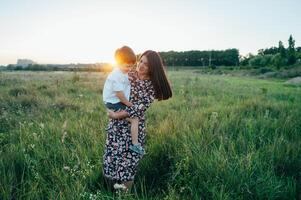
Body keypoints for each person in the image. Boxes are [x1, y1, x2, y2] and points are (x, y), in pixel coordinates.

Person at [103, 50, 172, 192]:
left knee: (128, 164)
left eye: (146, 64)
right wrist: (109, 106)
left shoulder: (151, 86)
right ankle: (108, 193)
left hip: (133, 129)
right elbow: (112, 89)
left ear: (153, 67)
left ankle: (124, 195)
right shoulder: (128, 74)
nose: (141, 66)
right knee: (111, 159)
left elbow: (139, 109)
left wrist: (116, 115)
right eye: (141, 61)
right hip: (116, 127)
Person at [103, 46, 145, 155]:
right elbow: (119, 94)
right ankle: (135, 145)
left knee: (131, 118)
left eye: (131, 66)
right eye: (127, 66)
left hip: (115, 102)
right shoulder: (116, 76)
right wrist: (128, 103)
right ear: (118, 62)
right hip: (115, 102)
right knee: (134, 119)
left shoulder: (122, 72)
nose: (129, 69)